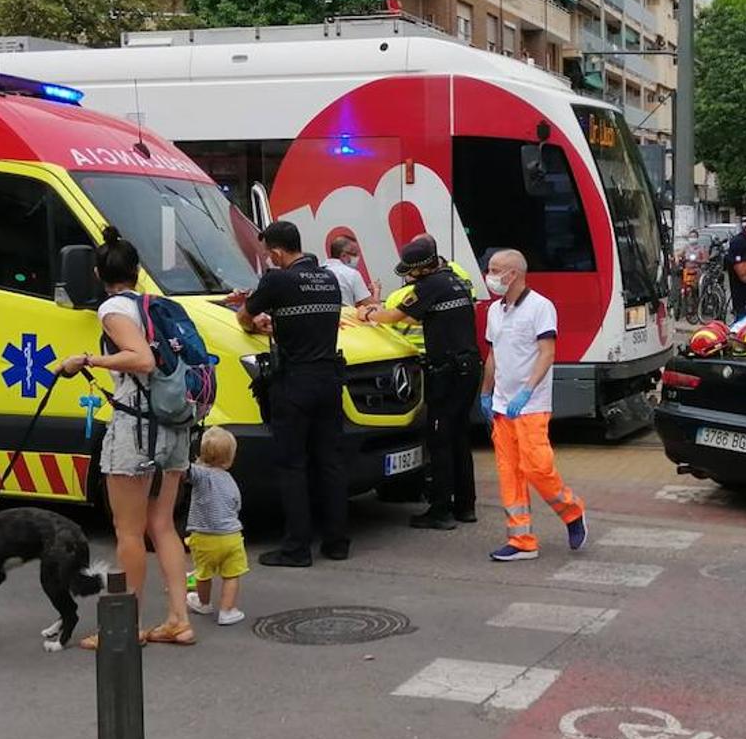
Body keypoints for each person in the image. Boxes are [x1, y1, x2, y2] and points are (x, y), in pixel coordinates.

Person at [58, 228, 194, 648]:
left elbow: (141, 359)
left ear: (99, 273)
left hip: (136, 429)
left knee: (129, 530)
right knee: (163, 526)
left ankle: (128, 625)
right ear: (137, 271)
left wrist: (86, 359)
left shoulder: (113, 309)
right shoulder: (154, 306)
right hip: (172, 424)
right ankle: (178, 620)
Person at [236, 221, 349, 567]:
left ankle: (296, 548)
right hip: (329, 381)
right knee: (329, 463)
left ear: (276, 252)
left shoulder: (277, 280)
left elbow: (244, 316)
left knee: (292, 465)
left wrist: (259, 323)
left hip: (295, 384)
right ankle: (336, 542)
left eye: (268, 254)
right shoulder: (329, 278)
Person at [360, 238, 481, 529]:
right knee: (460, 438)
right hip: (469, 368)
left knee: (439, 440)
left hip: (447, 372)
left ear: (424, 269)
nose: (409, 276)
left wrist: (369, 313)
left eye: (411, 272)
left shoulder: (428, 287)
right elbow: (428, 319)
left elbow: (395, 315)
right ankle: (465, 506)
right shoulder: (456, 281)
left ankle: (440, 511)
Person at [481, 249, 589, 562]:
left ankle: (572, 511)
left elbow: (547, 353)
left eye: (495, 269)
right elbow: (493, 356)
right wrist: (486, 393)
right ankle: (521, 541)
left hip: (531, 406)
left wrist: (526, 392)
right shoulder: (494, 311)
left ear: (512, 274)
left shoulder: (540, 307)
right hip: (502, 407)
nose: (490, 275)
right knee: (509, 474)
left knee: (537, 468)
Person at [184, 427, 248, 627]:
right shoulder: (230, 481)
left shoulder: (201, 475)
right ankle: (227, 610)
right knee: (231, 575)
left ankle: (203, 603)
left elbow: (185, 471)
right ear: (230, 458)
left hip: (204, 537)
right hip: (231, 537)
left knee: (203, 573)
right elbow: (236, 505)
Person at [320, 235, 376, 307]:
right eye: (355, 254)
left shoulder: (319, 271)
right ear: (343, 255)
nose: (358, 257)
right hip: (344, 317)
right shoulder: (351, 274)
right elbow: (374, 307)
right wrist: (376, 290)